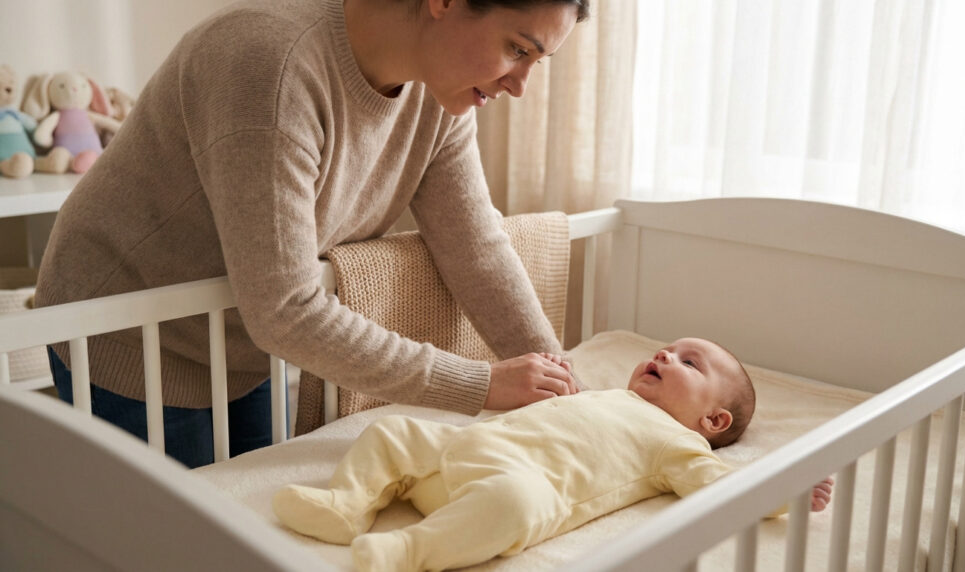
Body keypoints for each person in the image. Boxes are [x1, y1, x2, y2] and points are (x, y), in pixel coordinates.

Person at [35, 0, 589, 468]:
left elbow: (476, 247)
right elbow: (286, 308)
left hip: (240, 337)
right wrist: (479, 384)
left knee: (254, 530)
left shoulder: (441, 94)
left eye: (537, 61)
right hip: (125, 331)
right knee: (175, 543)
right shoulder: (268, 64)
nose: (521, 85)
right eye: (518, 50)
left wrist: (565, 390)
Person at [272, 338, 835, 571]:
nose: (666, 354)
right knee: (392, 430)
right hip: (458, 452)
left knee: (514, 504)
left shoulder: (678, 443)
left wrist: (787, 490)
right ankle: (347, 504)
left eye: (689, 363)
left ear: (713, 421)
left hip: (509, 481)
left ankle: (407, 551)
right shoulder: (606, 394)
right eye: (667, 348)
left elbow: (721, 486)